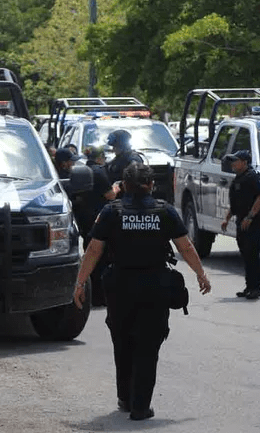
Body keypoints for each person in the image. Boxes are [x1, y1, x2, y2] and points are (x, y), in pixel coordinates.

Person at [72, 162, 211, 421]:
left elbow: (93, 250)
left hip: (120, 286)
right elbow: (185, 247)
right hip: (154, 286)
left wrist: (80, 283)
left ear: (124, 186)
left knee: (122, 341)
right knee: (148, 345)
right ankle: (140, 406)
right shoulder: (164, 211)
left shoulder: (111, 212)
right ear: (151, 185)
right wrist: (201, 274)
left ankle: (125, 398)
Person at [221, 150, 260, 300]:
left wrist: (250, 217)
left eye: (236, 161)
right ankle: (249, 286)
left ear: (244, 162)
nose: (233, 164)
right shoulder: (238, 179)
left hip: (255, 221)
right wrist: (226, 219)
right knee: (246, 254)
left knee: (252, 253)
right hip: (242, 220)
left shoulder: (254, 177)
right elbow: (235, 204)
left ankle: (255, 288)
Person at [80, 145, 121, 306]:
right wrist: (117, 187)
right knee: (102, 258)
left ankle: (92, 295)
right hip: (99, 218)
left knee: (90, 255)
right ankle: (101, 296)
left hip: (85, 219)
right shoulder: (99, 172)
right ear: (99, 158)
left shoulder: (83, 170)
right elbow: (110, 195)